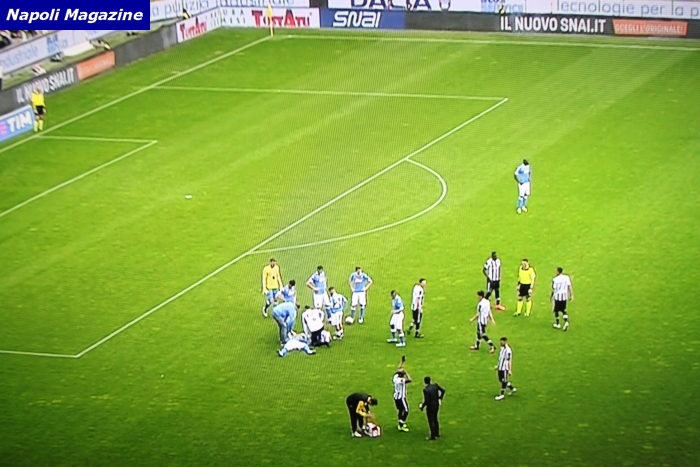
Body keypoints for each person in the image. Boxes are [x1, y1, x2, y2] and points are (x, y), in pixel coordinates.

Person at [393, 357, 411, 432]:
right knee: (406, 410)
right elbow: (409, 379)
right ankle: (401, 424)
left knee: (400, 410)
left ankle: (399, 422)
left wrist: (402, 362)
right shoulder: (401, 380)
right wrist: (406, 372)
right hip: (401, 397)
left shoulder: (395, 377)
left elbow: (398, 369)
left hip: (396, 397)